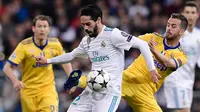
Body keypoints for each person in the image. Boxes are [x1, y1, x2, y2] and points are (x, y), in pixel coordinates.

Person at [36, 4, 159, 112]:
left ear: (98, 20)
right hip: (92, 88)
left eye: (88, 24)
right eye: (83, 25)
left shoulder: (113, 34)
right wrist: (48, 61)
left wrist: (152, 69)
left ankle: (78, 81)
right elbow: (71, 55)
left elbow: (142, 44)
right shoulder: (87, 40)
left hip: (109, 92)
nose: (85, 28)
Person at [60, 13, 188, 112]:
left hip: (145, 92)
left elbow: (169, 63)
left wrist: (153, 51)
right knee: (102, 81)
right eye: (168, 24)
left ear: (181, 32)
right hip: (127, 79)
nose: (169, 28)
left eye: (173, 26)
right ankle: (77, 81)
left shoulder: (181, 55)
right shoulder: (153, 38)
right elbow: (130, 41)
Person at [3, 15, 73, 112]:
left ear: (49, 29)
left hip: (48, 90)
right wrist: (15, 81)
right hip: (28, 92)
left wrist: (71, 77)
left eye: (45, 26)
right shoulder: (24, 46)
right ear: (33, 28)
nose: (42, 29)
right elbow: (7, 67)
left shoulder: (55, 44)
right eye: (39, 26)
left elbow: (65, 61)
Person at [162, 2, 200, 112]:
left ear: (197, 15)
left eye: (193, 12)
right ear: (182, 14)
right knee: (184, 110)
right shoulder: (174, 32)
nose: (190, 15)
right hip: (174, 79)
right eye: (187, 12)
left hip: (188, 80)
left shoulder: (198, 35)